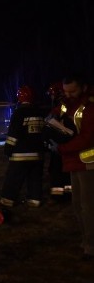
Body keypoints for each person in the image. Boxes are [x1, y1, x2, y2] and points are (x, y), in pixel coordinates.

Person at [56, 72, 94, 261]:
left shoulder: (90, 107)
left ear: (84, 87)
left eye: (72, 91)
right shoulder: (69, 104)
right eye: (66, 91)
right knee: (78, 205)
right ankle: (86, 240)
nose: (68, 94)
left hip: (89, 163)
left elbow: (87, 138)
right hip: (74, 161)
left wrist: (62, 147)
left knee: (88, 207)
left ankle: (90, 245)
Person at [0, 85, 45, 211]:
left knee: (13, 178)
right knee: (35, 178)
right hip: (37, 154)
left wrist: (8, 149)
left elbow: (13, 134)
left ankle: (7, 201)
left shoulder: (19, 113)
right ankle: (35, 200)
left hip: (20, 154)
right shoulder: (39, 112)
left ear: (19, 98)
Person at [44, 81, 73, 202]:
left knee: (58, 171)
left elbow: (54, 120)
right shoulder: (64, 104)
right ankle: (67, 195)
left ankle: (59, 196)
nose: (51, 97)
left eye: (52, 95)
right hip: (61, 146)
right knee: (63, 172)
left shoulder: (62, 105)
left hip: (60, 146)